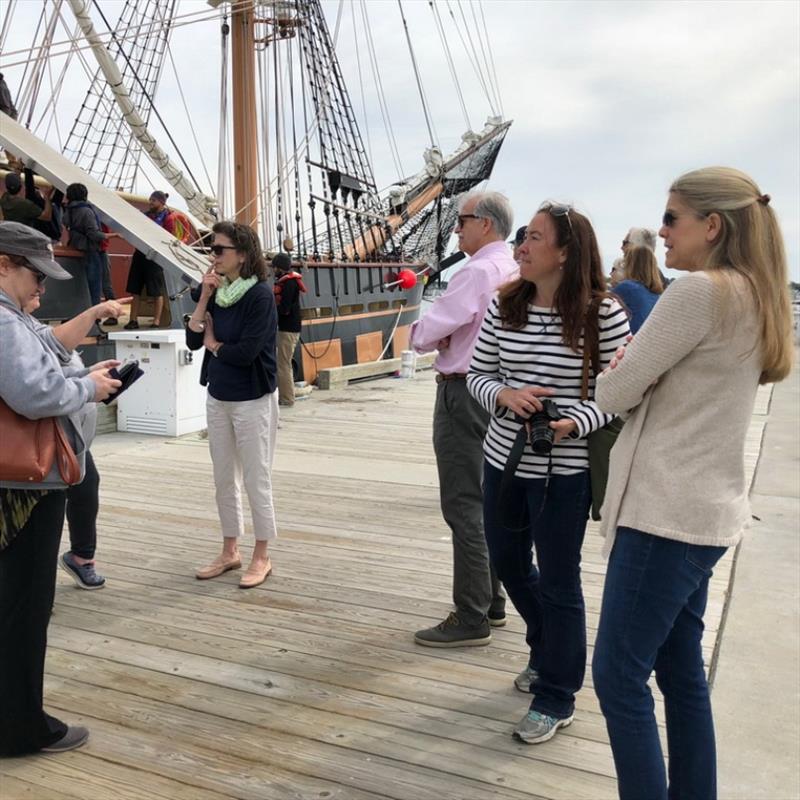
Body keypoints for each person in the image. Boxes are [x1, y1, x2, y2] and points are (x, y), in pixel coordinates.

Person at [592, 167, 794, 800]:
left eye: (672, 217)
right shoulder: (757, 293)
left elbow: (614, 390)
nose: (661, 229)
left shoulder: (698, 293)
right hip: (707, 513)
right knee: (680, 670)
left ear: (712, 225)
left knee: (618, 677)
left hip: (664, 512)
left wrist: (626, 364)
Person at [467, 202, 630, 744]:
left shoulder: (601, 314)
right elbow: (477, 374)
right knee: (510, 562)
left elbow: (617, 395)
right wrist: (506, 395)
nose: (522, 246)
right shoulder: (504, 304)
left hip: (566, 469)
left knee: (560, 581)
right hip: (503, 458)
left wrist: (572, 422)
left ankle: (557, 694)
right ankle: (547, 644)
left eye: (534, 237)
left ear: (565, 252)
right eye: (522, 236)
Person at [0, 222, 121, 755]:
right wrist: (88, 388)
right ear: (3, 263)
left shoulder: (11, 319)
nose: (41, 287)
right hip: (23, 488)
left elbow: (41, 350)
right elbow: (34, 391)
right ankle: (21, 727)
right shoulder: (3, 322)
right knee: (24, 609)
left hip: (17, 485)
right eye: (34, 273)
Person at [409, 190, 518, 647]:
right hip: (495, 394)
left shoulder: (475, 272)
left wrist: (423, 335)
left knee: (463, 504)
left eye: (462, 220)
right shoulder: (511, 268)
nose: (456, 228)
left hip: (463, 393)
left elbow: (427, 332)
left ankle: (470, 614)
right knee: (489, 498)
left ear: (486, 224)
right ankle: (490, 598)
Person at [186, 221, 279, 589]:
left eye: (220, 250)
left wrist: (214, 343)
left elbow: (247, 353)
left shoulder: (259, 297)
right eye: (213, 249)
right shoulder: (216, 291)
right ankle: (230, 550)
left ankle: (262, 554)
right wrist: (204, 298)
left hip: (252, 397)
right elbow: (192, 343)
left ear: (242, 254)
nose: (214, 256)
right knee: (224, 477)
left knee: (257, 477)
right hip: (218, 396)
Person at [23, 292, 131, 589]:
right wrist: (94, 312)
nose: (41, 289)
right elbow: (43, 389)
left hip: (69, 436)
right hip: (43, 439)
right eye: (35, 276)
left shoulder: (27, 324)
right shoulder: (14, 329)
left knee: (84, 486)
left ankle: (78, 559)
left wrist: (89, 374)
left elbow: (56, 351)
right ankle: (32, 587)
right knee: (41, 511)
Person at [125, 191, 191, 329]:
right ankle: (133, 320)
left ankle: (156, 321)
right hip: (140, 254)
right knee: (134, 289)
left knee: (156, 291)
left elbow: (168, 238)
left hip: (155, 257)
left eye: (153, 200)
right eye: (150, 200)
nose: (150, 203)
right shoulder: (145, 216)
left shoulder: (168, 218)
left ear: (161, 202)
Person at [63, 183, 119, 307]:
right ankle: (94, 316)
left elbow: (65, 223)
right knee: (94, 286)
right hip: (90, 251)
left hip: (75, 249)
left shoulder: (69, 211)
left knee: (78, 285)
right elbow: (94, 234)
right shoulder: (87, 211)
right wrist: (114, 235)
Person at [272, 252, 306, 406]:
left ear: (279, 268)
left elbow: (285, 308)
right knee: (283, 363)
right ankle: (285, 396)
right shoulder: (288, 282)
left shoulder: (289, 284)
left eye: (275, 267)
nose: (273, 270)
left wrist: (270, 313)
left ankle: (287, 398)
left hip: (288, 329)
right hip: (289, 327)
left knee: (283, 364)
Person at [611, 245, 664, 333]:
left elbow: (602, 309)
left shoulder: (627, 287)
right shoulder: (657, 294)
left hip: (629, 342)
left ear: (631, 264)